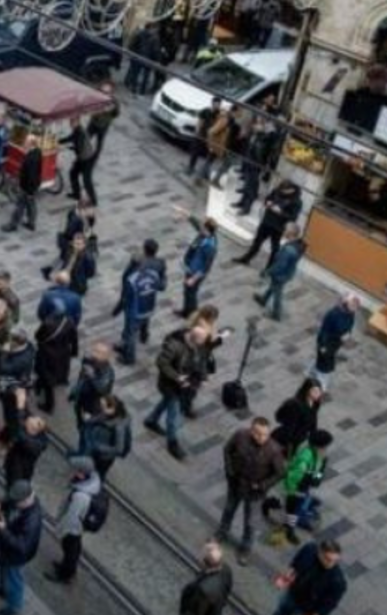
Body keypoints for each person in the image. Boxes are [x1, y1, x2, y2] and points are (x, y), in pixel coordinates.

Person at [217, 417, 286, 566]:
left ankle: (245, 548)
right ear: (251, 430)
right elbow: (227, 449)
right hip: (236, 483)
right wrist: (230, 471)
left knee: (251, 522)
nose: (261, 437)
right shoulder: (240, 435)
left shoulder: (274, 450)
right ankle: (222, 533)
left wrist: (262, 485)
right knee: (229, 509)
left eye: (265, 434)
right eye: (258, 433)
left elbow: (280, 473)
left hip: (255, 492)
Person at [145, 326, 205, 460]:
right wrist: (177, 377)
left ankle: (151, 420)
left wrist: (201, 377)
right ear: (194, 338)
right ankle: (172, 443)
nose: (203, 343)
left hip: (182, 386)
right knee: (173, 416)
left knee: (165, 402)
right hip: (170, 385)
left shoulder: (196, 345)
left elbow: (199, 360)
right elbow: (161, 362)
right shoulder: (174, 346)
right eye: (202, 340)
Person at [0, 481, 43, 615]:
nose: (14, 503)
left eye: (17, 502)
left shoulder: (32, 520)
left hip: (17, 556)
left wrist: (3, 529)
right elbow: (8, 498)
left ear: (27, 499)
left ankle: (13, 609)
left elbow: (22, 546)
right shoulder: (22, 498)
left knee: (15, 580)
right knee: (2, 568)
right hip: (7, 548)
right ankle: (3, 589)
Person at [46, 456, 102, 584]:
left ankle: (65, 575)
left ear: (81, 473)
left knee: (70, 549)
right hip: (78, 526)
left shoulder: (81, 496)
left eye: (75, 470)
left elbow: (72, 516)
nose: (72, 472)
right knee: (73, 548)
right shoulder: (90, 481)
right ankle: (67, 567)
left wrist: (60, 530)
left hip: (74, 528)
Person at [273, 429, 331, 545]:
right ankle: (289, 530)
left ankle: (287, 517)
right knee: (292, 511)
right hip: (295, 490)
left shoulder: (316, 453)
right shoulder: (304, 460)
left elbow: (317, 471)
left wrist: (317, 477)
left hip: (302, 487)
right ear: (317, 446)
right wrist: (294, 492)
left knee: (295, 507)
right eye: (325, 446)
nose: (326, 449)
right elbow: (293, 478)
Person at [115, 241, 167, 365]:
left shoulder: (133, 275)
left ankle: (129, 357)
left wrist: (120, 306)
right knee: (145, 318)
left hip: (134, 306)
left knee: (130, 332)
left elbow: (125, 283)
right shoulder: (160, 263)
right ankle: (144, 336)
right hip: (149, 300)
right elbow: (162, 285)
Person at [233, 180, 303, 268]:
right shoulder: (277, 190)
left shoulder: (297, 201)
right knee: (256, 242)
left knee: (274, 248)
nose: (281, 192)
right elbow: (268, 198)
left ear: (291, 190)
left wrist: (280, 212)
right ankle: (246, 259)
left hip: (278, 227)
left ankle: (269, 267)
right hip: (267, 221)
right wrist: (268, 202)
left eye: (284, 191)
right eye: (281, 190)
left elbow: (293, 217)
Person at [274, 540, 348, 615]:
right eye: (327, 559)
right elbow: (296, 562)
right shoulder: (309, 549)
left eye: (335, 561)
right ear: (319, 552)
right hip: (292, 594)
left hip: (306, 609)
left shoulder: (338, 582)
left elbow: (329, 605)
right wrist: (287, 576)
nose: (331, 564)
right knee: (280, 611)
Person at [255, 225, 305, 321]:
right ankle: (264, 299)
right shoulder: (296, 244)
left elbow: (280, 266)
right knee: (273, 286)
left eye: (286, 230)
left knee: (278, 293)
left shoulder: (288, 250)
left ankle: (276, 314)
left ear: (291, 233)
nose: (284, 231)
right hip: (287, 273)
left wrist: (267, 272)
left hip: (281, 275)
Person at [311, 295, 359, 391]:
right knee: (325, 364)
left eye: (356, 307)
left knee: (325, 359)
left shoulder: (351, 314)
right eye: (353, 306)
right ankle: (320, 383)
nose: (355, 309)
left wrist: (347, 334)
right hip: (326, 341)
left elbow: (350, 325)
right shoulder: (333, 314)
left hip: (336, 343)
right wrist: (323, 346)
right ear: (346, 304)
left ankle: (312, 370)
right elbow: (324, 331)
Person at [178, 212, 218, 318]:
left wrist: (194, 279)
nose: (201, 230)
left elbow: (206, 267)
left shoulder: (210, 247)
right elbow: (197, 225)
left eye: (204, 229)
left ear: (208, 231)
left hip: (196, 273)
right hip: (191, 267)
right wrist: (188, 215)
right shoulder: (205, 234)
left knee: (191, 293)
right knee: (187, 291)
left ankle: (193, 315)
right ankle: (186, 312)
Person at [273, 378, 323, 458]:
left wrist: (314, 435)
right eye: (315, 391)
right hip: (287, 440)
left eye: (319, 391)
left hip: (299, 438)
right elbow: (289, 428)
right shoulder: (296, 406)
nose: (318, 394)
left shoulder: (315, 403)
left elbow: (313, 418)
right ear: (307, 390)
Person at [179, 541, 234, 615]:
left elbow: (196, 611)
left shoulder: (202, 591)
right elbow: (226, 593)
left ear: (204, 564)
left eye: (201, 556)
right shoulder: (226, 569)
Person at [3, 135, 43, 233]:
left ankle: (13, 225)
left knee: (19, 206)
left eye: (26, 142)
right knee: (31, 205)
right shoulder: (37, 151)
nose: (24, 143)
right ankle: (31, 223)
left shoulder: (31, 158)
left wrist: (29, 191)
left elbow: (31, 176)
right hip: (32, 187)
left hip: (27, 187)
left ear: (31, 144)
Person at [61, 114, 96, 203]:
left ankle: (93, 200)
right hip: (82, 157)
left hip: (86, 159)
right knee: (73, 174)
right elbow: (71, 138)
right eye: (70, 121)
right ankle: (76, 194)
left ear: (77, 122)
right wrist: (59, 141)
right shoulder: (77, 130)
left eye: (72, 122)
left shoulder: (80, 132)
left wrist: (69, 148)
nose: (70, 123)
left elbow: (79, 148)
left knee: (86, 180)